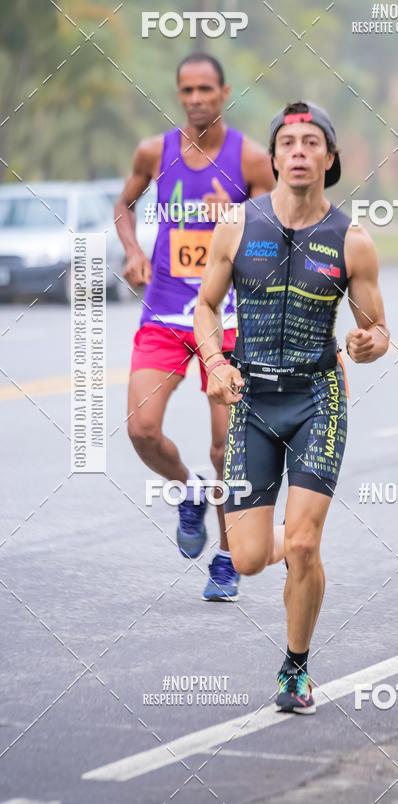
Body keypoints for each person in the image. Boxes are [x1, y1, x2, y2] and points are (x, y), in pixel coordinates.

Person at [194, 101, 389, 712]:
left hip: (316, 400)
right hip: (253, 401)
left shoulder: (352, 241)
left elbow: (378, 330)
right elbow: (205, 308)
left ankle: (295, 668)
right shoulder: (236, 226)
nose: (299, 151)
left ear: (330, 159)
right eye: (288, 142)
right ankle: (284, 533)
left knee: (303, 547)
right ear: (274, 157)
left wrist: (367, 344)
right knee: (249, 558)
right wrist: (216, 362)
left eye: (312, 143)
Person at [114, 52, 274, 601]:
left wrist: (240, 229)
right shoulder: (154, 152)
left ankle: (226, 558)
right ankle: (188, 493)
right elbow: (124, 204)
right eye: (187, 90)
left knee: (224, 445)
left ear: (224, 92)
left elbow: (282, 227)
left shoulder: (251, 160)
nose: (196, 98)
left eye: (206, 89)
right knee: (141, 429)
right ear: (179, 94)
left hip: (227, 319)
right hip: (163, 313)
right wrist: (134, 251)